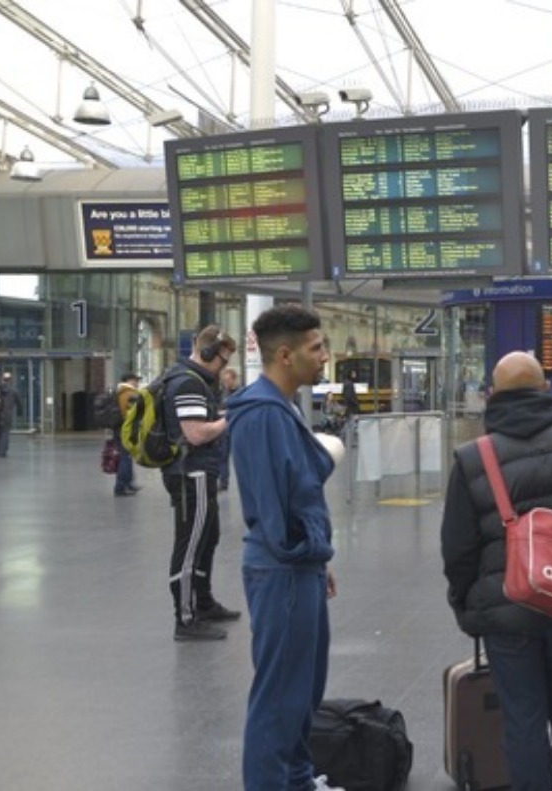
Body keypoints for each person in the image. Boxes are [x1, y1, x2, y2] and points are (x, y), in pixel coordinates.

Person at [441, 351, 552, 791]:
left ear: (492, 396)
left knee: (522, 718)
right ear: (545, 390)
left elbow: (458, 552)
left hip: (506, 611)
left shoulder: (472, 458)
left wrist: (467, 607)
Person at [226, 305, 342, 791]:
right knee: (279, 696)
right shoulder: (264, 414)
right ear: (283, 353)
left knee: (302, 691)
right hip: (284, 569)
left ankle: (296, 780)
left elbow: (296, 496)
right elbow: (276, 510)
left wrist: (318, 558)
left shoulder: (281, 406)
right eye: (316, 348)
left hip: (299, 566)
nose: (324, 357)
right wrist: (306, 551)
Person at [162, 325, 241, 641]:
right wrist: (229, 418)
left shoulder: (194, 381)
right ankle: (185, 619)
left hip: (199, 471)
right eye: (223, 361)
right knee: (191, 544)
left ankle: (204, 602)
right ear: (208, 354)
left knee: (209, 537)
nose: (224, 368)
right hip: (190, 473)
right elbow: (195, 433)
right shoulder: (188, 385)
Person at [114, 372, 141, 497]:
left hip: (120, 428)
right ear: (129, 380)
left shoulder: (120, 391)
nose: (137, 382)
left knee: (126, 457)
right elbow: (132, 413)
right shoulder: (128, 393)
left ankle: (127, 483)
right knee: (125, 458)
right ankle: (121, 486)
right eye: (135, 380)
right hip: (126, 429)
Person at [217, 367, 240, 492]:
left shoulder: (240, 393)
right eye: (224, 381)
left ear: (234, 379)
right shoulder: (223, 392)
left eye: (228, 380)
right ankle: (223, 481)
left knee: (239, 457)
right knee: (223, 455)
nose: (226, 383)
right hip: (224, 428)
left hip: (236, 428)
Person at [0, 371, 19, 458]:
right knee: (5, 432)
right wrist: (20, 411)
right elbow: (18, 402)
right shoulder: (13, 390)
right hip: (7, 414)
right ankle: (2, 451)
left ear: (2, 378)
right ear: (11, 380)